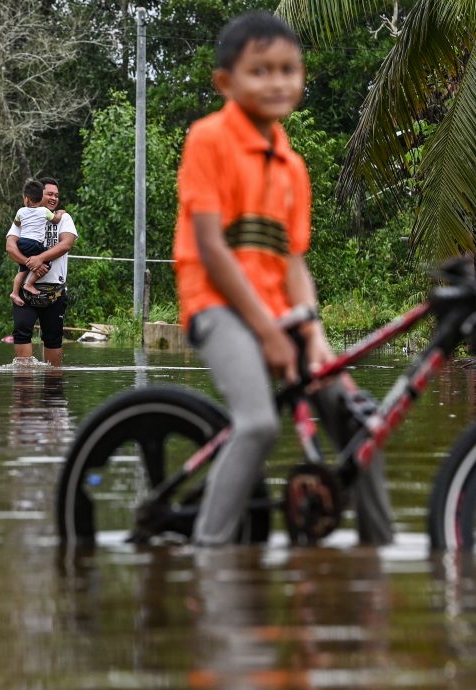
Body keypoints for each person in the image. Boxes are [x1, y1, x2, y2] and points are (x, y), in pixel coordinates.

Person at [173, 11, 393, 546]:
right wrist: (269, 333)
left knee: (359, 422)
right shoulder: (209, 140)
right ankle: (211, 554)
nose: (277, 82)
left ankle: (376, 558)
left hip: (280, 313)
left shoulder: (292, 166)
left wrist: (313, 336)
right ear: (226, 82)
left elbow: (294, 265)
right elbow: (211, 249)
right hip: (216, 305)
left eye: (288, 70)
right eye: (260, 70)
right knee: (258, 424)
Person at [6, 177, 77, 366]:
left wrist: (41, 258)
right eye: (49, 194)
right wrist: (31, 263)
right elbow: (10, 247)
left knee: (53, 337)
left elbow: (66, 244)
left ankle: (53, 382)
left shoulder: (64, 218)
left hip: (54, 290)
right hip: (26, 289)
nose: (54, 198)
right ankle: (24, 382)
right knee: (21, 331)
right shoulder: (24, 214)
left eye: (57, 195)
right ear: (38, 196)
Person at [10, 178, 66, 306]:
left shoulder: (20, 211)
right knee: (47, 258)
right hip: (35, 244)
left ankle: (14, 292)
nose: (54, 198)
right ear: (41, 199)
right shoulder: (44, 211)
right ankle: (29, 284)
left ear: (26, 199)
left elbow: (17, 223)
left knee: (22, 270)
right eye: (50, 194)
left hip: (22, 243)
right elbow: (56, 220)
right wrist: (60, 212)